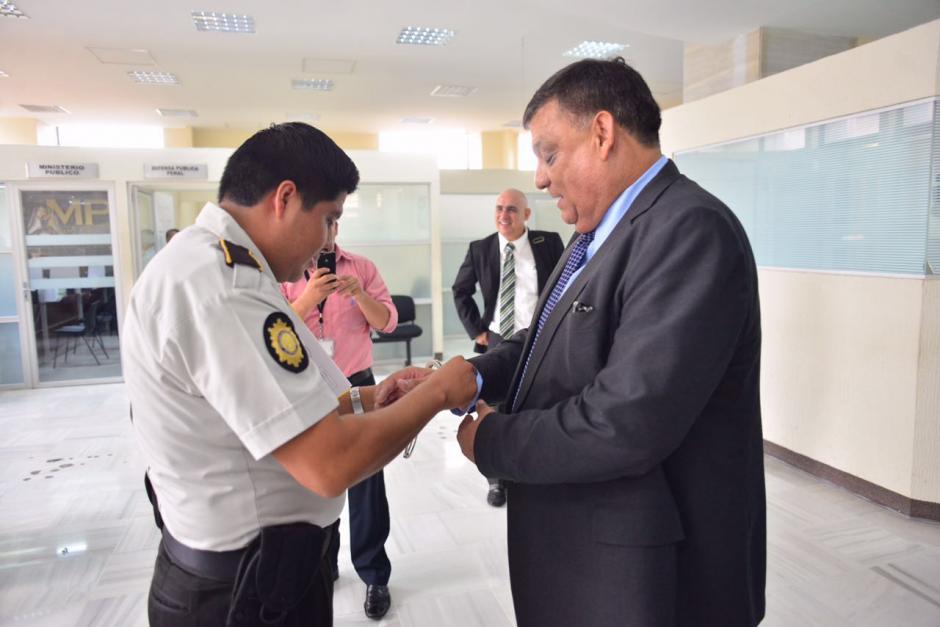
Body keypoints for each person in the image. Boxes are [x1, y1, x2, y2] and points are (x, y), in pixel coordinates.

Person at [122, 122, 476, 626]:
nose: (330, 239)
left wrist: (370, 398)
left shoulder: (217, 268)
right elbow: (329, 464)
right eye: (329, 219)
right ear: (284, 198)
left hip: (258, 576)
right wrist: (440, 392)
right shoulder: (224, 286)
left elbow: (269, 410)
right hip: (240, 594)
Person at [454, 58, 766, 626]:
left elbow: (625, 421)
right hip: (582, 549)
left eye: (549, 154)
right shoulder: (595, 236)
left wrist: (491, 440)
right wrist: (473, 374)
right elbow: (545, 338)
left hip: (649, 578)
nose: (541, 180)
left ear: (602, 133)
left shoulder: (689, 229)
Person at [280, 220, 397, 620]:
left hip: (357, 385)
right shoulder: (286, 274)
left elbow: (387, 322)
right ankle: (323, 564)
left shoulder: (361, 267)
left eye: (330, 222)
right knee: (314, 482)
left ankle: (374, 575)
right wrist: (308, 299)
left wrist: (361, 296)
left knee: (366, 482)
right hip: (306, 388)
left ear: (336, 225)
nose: (323, 230)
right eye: (318, 220)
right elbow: (271, 331)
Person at [452, 188, 563, 506]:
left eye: (512, 209)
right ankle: (497, 479)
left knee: (541, 400)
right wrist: (478, 330)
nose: (504, 215)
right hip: (500, 338)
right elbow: (460, 290)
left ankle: (539, 470)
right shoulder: (481, 248)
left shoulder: (548, 242)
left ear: (527, 214)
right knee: (495, 408)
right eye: (499, 208)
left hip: (540, 336)